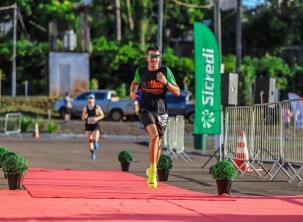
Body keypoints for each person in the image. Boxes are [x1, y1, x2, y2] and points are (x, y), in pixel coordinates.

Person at [129, 45, 180, 189]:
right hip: (146, 109)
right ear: (147, 58)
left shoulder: (165, 71)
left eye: (156, 57)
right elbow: (134, 83)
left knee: (158, 144)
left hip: (162, 112)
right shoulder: (141, 71)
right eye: (151, 57)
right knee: (154, 137)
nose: (153, 60)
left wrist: (166, 83)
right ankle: (152, 171)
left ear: (159, 58)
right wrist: (132, 93)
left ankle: (153, 169)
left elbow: (177, 92)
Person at [81, 93, 105, 159]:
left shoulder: (97, 107)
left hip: (95, 125)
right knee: (89, 140)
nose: (90, 99)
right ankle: (92, 153)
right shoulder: (85, 108)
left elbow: (102, 115)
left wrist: (97, 118)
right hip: (88, 125)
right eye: (89, 98)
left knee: (95, 138)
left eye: (91, 98)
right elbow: (82, 118)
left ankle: (95, 142)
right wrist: (84, 116)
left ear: (94, 100)